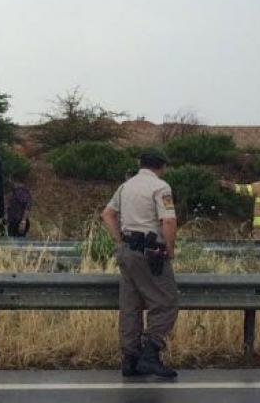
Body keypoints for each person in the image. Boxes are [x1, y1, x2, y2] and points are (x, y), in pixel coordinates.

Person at [101, 148, 179, 379]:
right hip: (150, 252)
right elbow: (169, 220)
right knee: (166, 302)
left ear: (140, 164)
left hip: (126, 250)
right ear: (161, 166)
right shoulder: (160, 187)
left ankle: (130, 359)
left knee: (131, 306)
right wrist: (170, 250)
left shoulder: (127, 186)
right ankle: (150, 354)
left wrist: (120, 240)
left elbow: (107, 214)